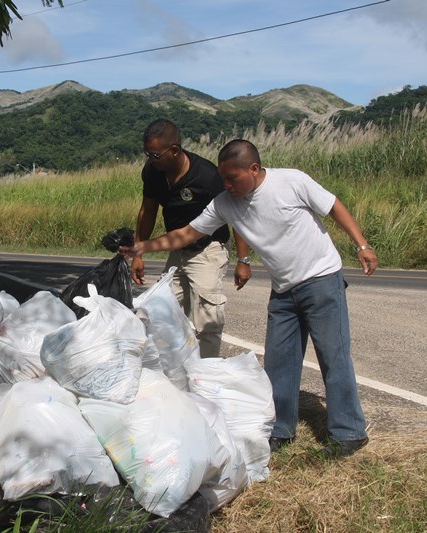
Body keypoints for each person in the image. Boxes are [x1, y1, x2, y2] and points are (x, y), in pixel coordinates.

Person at [123, 139, 376, 458]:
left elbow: (333, 205)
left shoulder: (291, 181)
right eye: (223, 179)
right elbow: (186, 234)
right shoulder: (225, 203)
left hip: (321, 279)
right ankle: (280, 430)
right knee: (279, 361)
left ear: (254, 169)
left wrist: (362, 245)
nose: (227, 185)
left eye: (232, 178)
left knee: (333, 356)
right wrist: (142, 247)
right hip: (283, 289)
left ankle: (349, 432)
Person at [132, 119, 239, 358]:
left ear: (174, 150)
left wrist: (244, 260)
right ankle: (168, 366)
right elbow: (148, 210)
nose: (150, 160)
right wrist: (138, 253)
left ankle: (206, 372)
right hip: (178, 249)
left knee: (207, 318)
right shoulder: (153, 171)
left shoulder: (207, 176)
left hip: (208, 248)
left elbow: (235, 215)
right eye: (147, 154)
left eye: (155, 155)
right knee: (158, 309)